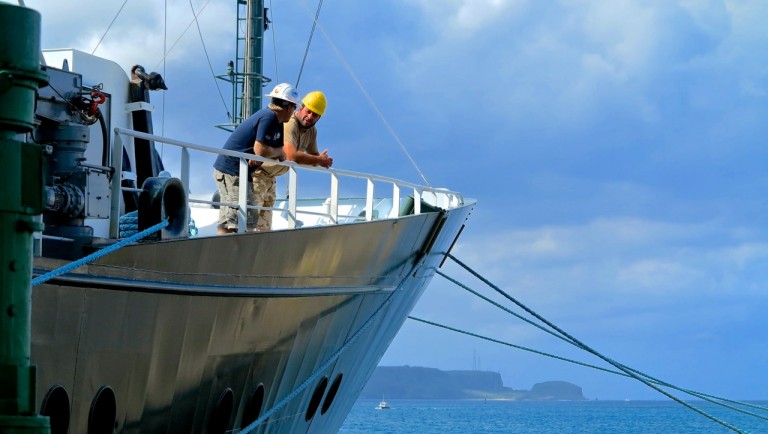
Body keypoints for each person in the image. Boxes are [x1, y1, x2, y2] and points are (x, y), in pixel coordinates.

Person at [212, 83, 299, 234]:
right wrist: (270, 152)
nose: (293, 112)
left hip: (243, 172)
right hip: (231, 170)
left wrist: (264, 155)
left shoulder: (277, 122)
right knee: (235, 218)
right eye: (294, 107)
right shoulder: (268, 117)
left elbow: (276, 154)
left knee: (247, 216)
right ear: (288, 107)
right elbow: (261, 149)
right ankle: (227, 253)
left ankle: (238, 253)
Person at [251, 90, 334, 231]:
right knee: (249, 224)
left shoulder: (312, 131)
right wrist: (319, 160)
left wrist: (320, 159)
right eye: (308, 111)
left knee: (264, 228)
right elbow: (291, 155)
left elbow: (313, 157)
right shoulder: (290, 123)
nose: (309, 117)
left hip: (271, 178)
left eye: (315, 115)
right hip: (258, 175)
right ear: (301, 108)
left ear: (319, 117)